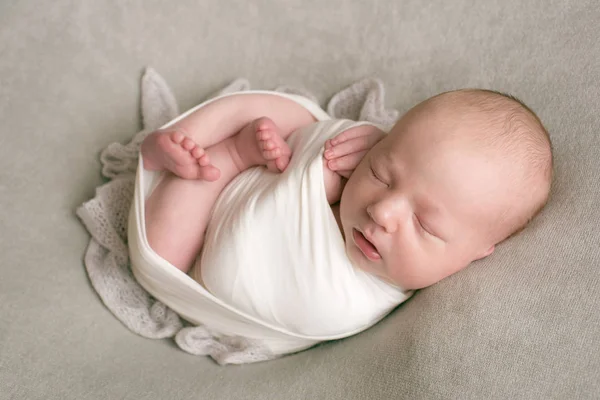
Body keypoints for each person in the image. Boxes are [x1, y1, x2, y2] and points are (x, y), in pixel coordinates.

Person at [140, 88, 553, 294]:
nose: (383, 210)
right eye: (382, 174)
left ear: (476, 251)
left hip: (212, 239)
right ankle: (174, 140)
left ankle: (230, 153)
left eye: (425, 225)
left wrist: (312, 185)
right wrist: (363, 144)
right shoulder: (371, 175)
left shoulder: (354, 297)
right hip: (280, 164)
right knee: (293, 112)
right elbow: (362, 153)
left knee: (161, 256)